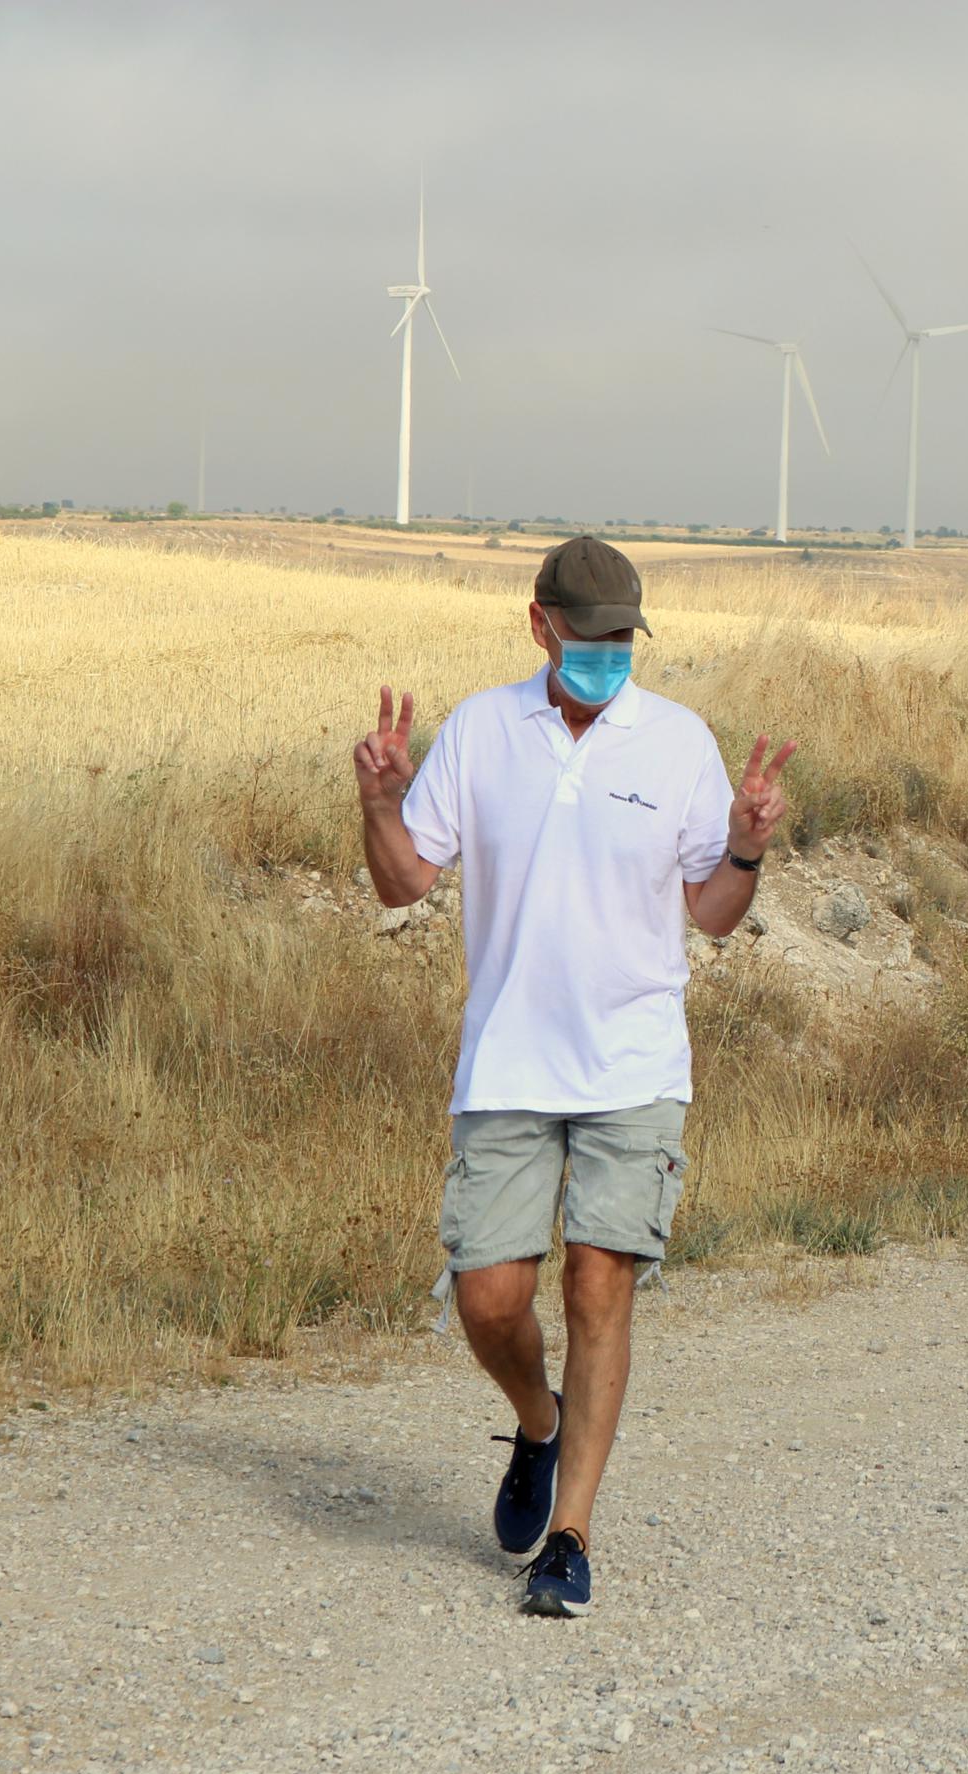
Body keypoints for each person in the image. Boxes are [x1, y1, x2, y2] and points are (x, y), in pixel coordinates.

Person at [353, 536, 794, 1618]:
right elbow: (404, 883)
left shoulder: (678, 742)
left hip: (633, 1063)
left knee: (601, 1281)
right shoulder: (481, 731)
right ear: (540, 624)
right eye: (588, 634)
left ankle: (570, 1535)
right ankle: (537, 1423)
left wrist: (743, 849)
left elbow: (713, 917)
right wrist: (380, 798)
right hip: (506, 1057)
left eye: (621, 638)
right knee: (489, 1294)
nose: (606, 655)